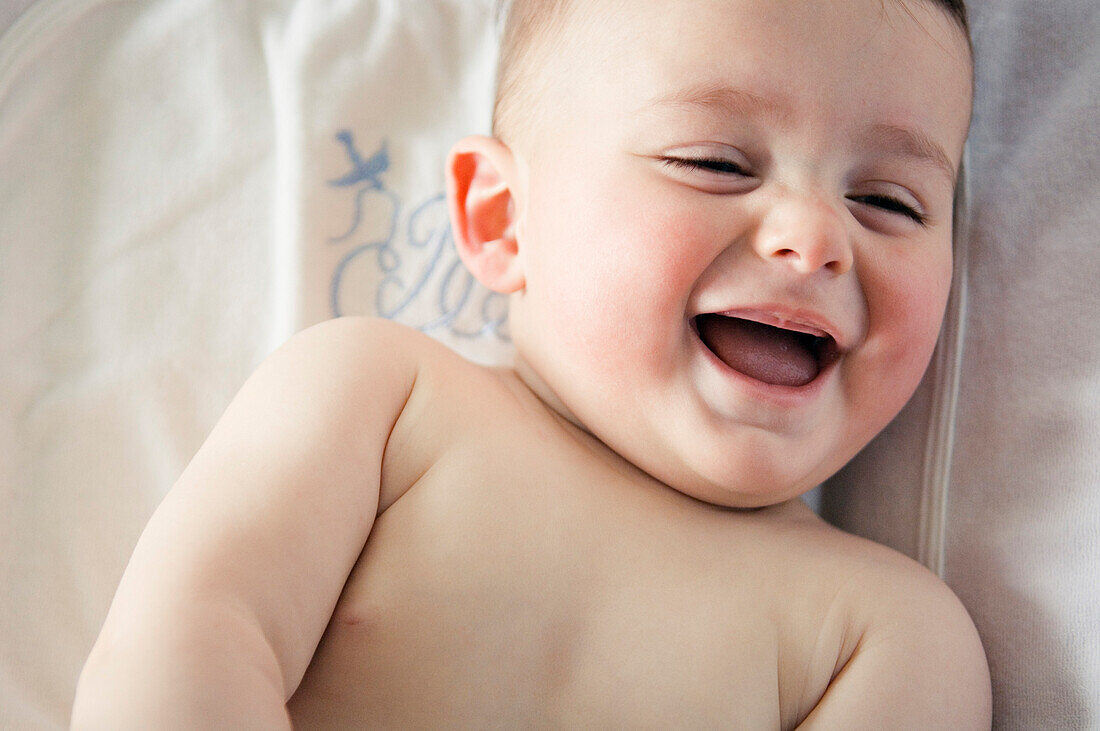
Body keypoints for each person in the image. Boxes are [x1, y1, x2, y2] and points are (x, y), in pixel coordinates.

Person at [72, 0, 992, 727]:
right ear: (500, 219)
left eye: (890, 201)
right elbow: (181, 644)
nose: (814, 237)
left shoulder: (890, 636)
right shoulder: (383, 400)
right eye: (713, 162)